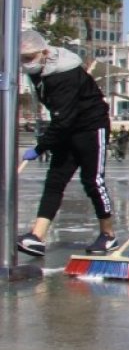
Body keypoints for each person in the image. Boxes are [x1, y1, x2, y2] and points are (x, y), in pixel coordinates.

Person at [14, 30, 119, 258]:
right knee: (55, 181)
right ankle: (37, 236)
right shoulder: (39, 72)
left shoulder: (65, 74)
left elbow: (63, 119)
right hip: (66, 127)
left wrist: (40, 147)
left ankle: (108, 235)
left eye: (30, 58)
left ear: (44, 53)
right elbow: (62, 119)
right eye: (22, 59)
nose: (26, 63)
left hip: (91, 126)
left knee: (93, 181)